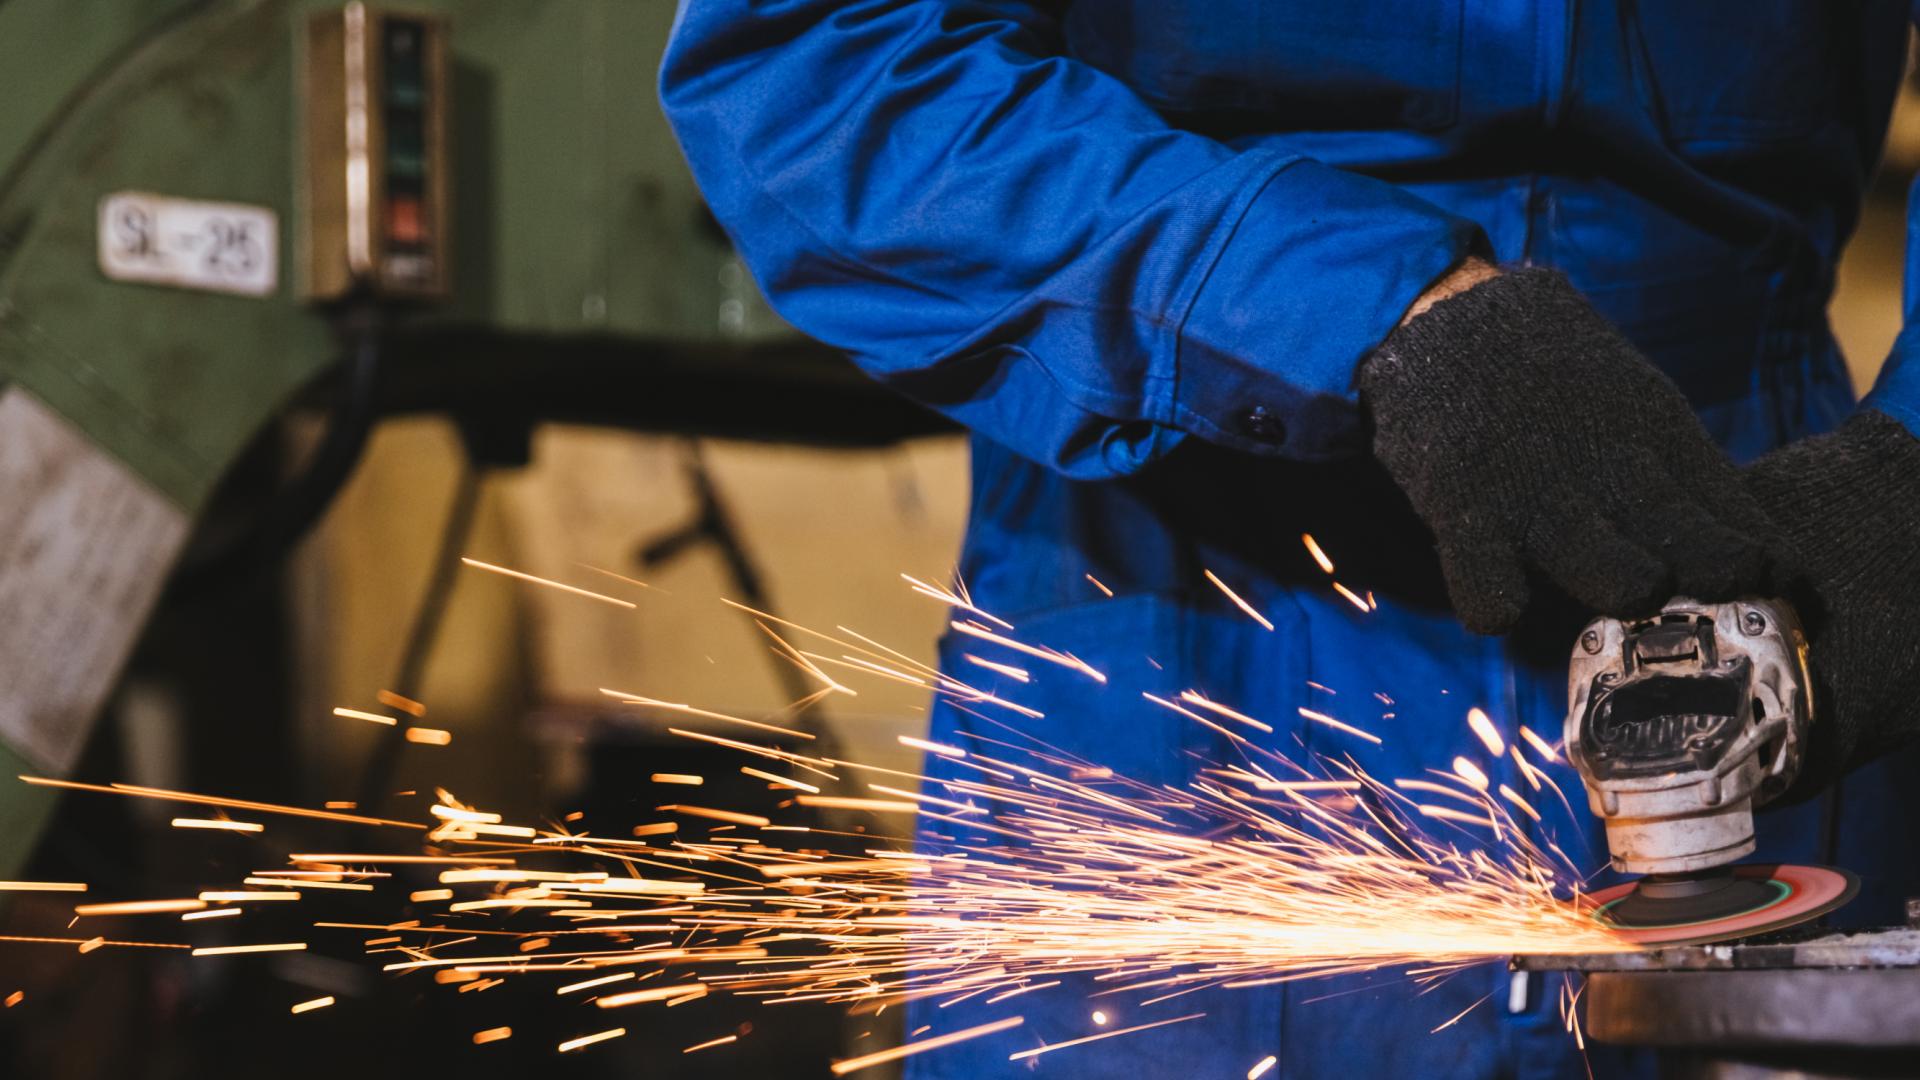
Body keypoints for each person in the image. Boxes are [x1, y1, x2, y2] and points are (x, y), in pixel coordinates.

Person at [660, 3, 1920, 1075]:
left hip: (1759, 559)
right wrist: (1361, 300)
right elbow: (817, 71)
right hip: (1188, 637)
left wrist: (1909, 479)